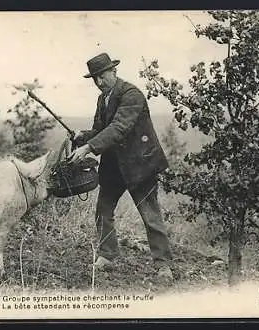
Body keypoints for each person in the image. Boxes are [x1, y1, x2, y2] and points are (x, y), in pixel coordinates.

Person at [69, 53, 173, 282]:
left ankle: (164, 265)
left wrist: (88, 148)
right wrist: (84, 137)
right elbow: (101, 129)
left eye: (101, 76)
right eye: (94, 79)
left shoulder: (131, 95)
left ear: (113, 72)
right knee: (103, 212)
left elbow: (118, 128)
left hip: (140, 165)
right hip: (114, 167)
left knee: (150, 217)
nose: (98, 82)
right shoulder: (102, 99)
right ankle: (107, 255)